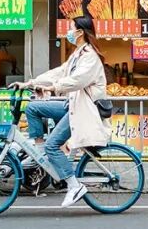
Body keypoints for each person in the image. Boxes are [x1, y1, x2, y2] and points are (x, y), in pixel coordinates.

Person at [22, 15, 111, 208]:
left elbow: (76, 81)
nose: (68, 32)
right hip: (72, 105)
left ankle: (73, 185)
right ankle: (39, 153)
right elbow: (60, 72)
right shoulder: (77, 54)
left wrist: (52, 88)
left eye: (71, 28)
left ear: (80, 32)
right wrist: (31, 83)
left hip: (82, 109)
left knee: (53, 145)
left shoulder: (90, 56)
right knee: (32, 107)